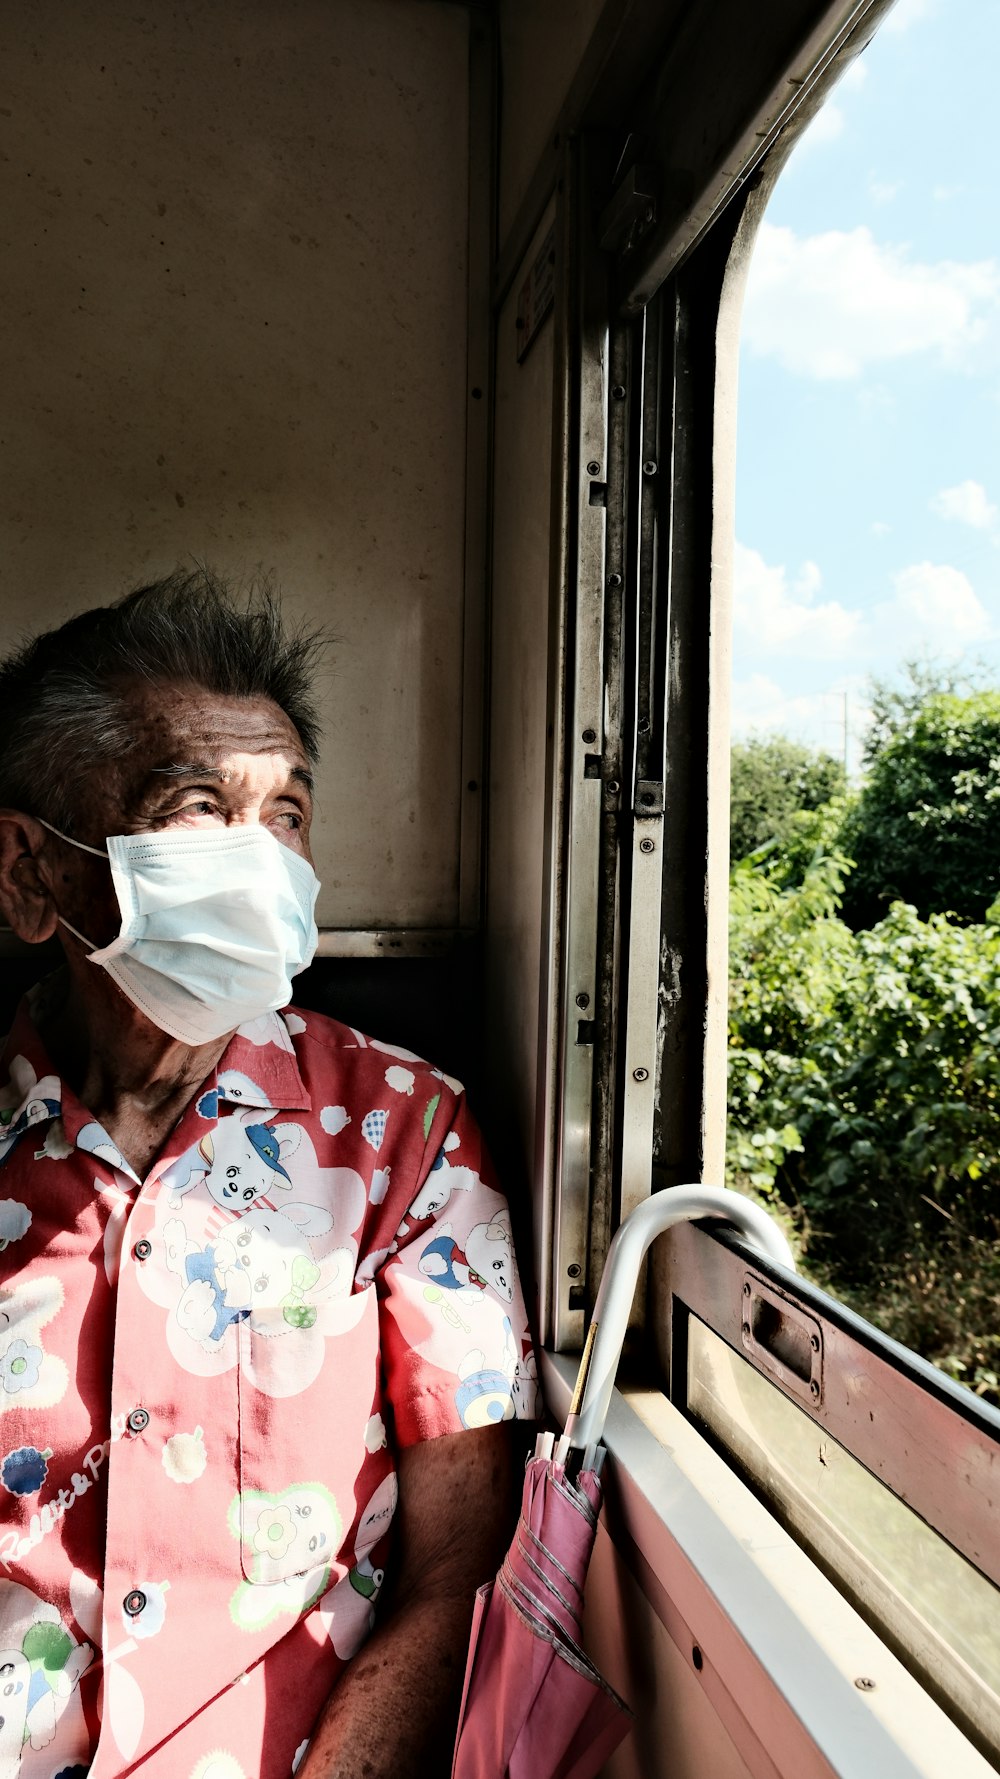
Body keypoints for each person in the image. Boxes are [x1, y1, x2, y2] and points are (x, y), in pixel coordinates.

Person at [0, 571, 538, 1779]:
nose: (262, 861)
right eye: (197, 805)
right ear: (33, 875)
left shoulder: (402, 1136)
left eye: (286, 812)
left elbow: (460, 1560)